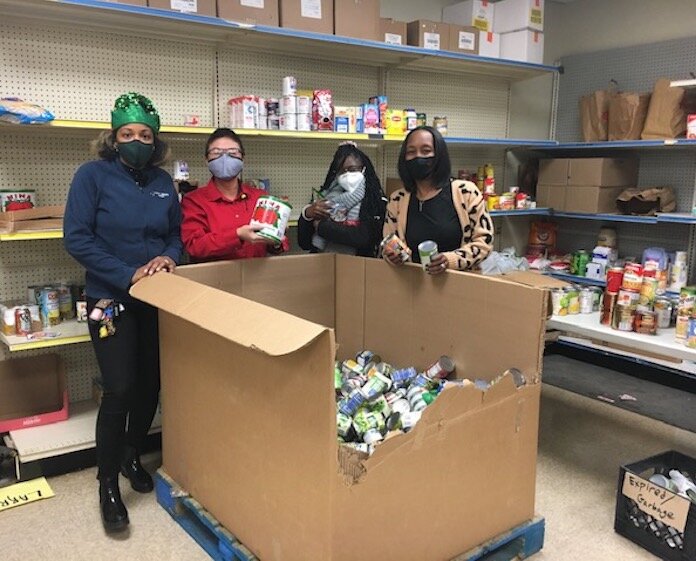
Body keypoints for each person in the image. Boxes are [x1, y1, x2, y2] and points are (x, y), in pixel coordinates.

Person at [64, 92, 182, 533]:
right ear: (113, 138)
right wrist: (128, 273)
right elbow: (77, 239)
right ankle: (107, 483)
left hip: (157, 297)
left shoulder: (162, 181)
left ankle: (134, 453)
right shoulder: (92, 176)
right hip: (109, 299)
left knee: (151, 382)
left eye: (145, 135)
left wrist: (168, 259)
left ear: (156, 142)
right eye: (127, 133)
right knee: (118, 388)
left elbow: (175, 235)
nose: (136, 140)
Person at [383, 126, 493, 273]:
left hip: (459, 286)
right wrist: (391, 256)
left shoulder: (466, 193)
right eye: (411, 152)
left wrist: (450, 260)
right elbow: (388, 243)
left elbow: (484, 242)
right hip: (412, 287)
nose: (418, 156)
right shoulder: (397, 200)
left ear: (439, 155)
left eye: (426, 150)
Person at [181, 128, 288, 262]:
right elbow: (195, 246)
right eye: (216, 153)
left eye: (232, 153)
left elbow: (274, 247)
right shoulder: (194, 201)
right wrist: (237, 235)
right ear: (206, 160)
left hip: (256, 277)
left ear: (242, 158)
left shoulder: (260, 198)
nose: (225, 158)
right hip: (212, 280)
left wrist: (276, 239)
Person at [297, 142, 386, 256]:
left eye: (352, 169)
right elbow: (304, 243)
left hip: (357, 267)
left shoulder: (375, 200)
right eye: (341, 171)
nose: (347, 174)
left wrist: (321, 227)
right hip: (322, 264)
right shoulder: (327, 196)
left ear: (364, 169)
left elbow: (363, 238)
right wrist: (307, 214)